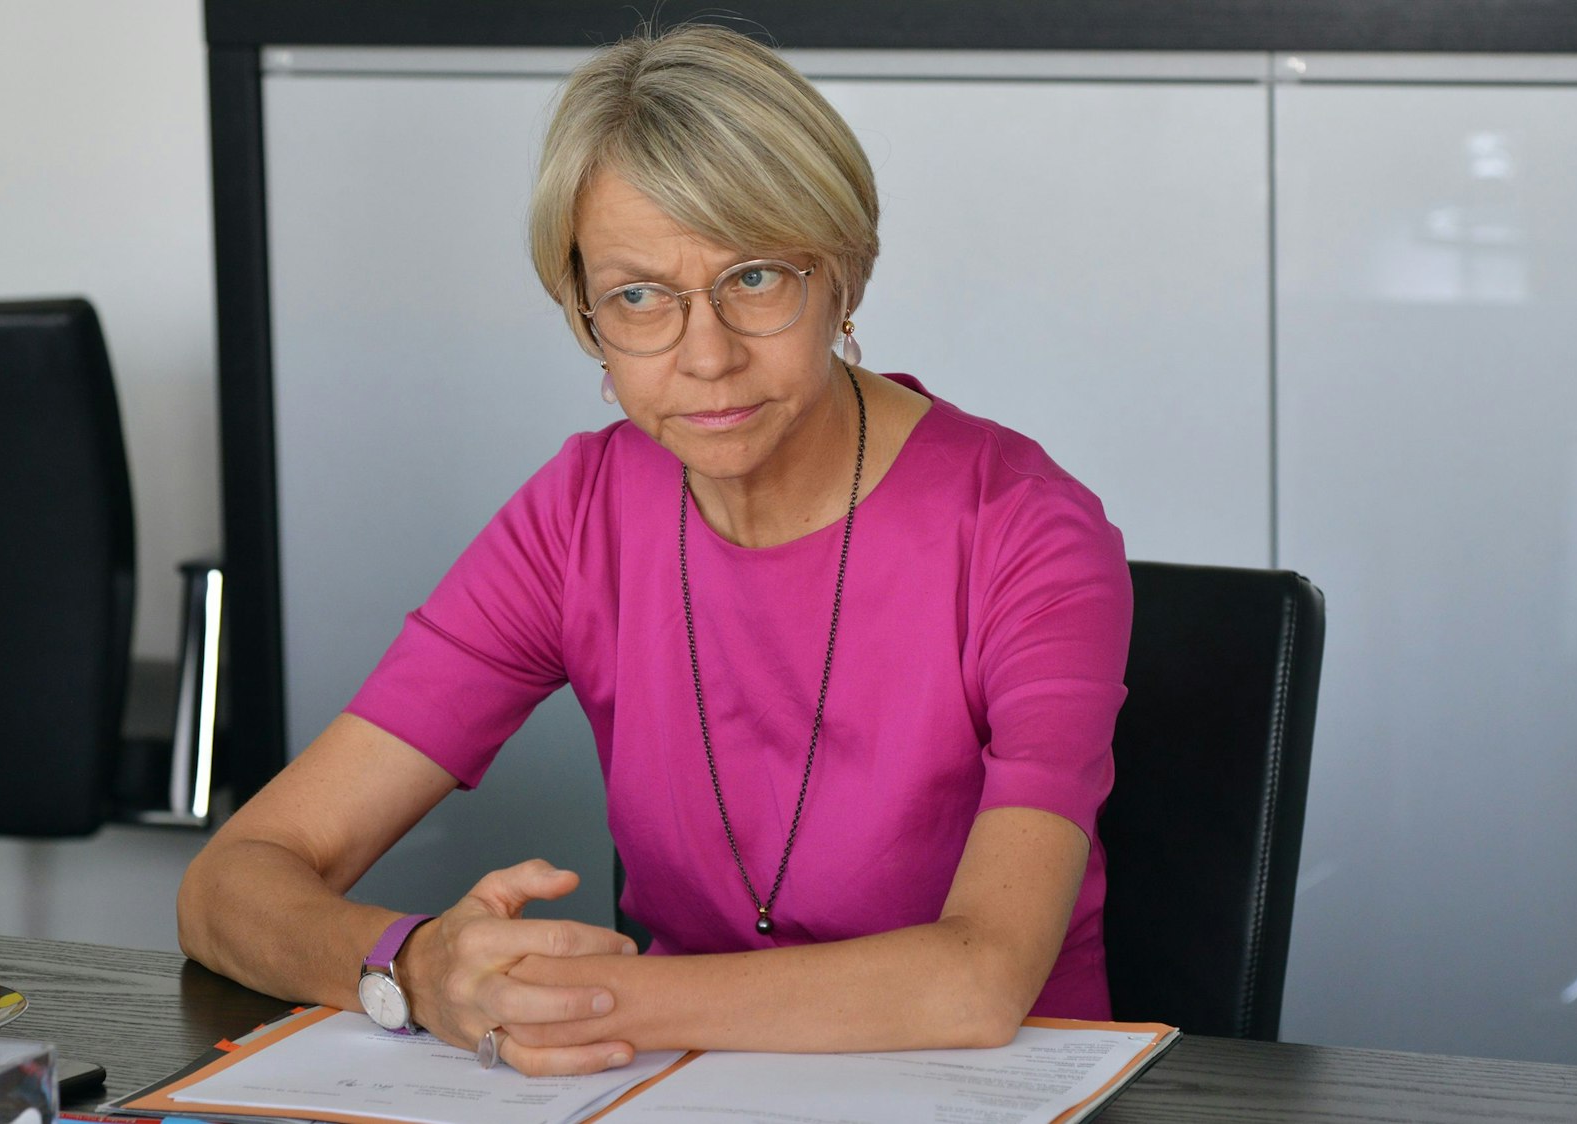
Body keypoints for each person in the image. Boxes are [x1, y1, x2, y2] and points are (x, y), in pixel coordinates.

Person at [176, 23, 1131, 1077]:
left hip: (990, 1092)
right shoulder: (579, 512)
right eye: (639, 297)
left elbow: (977, 978)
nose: (707, 355)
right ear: (585, 316)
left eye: (757, 277)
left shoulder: (1028, 529)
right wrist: (416, 965)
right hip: (672, 1087)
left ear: (843, 277)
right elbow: (231, 883)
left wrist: (547, 996)